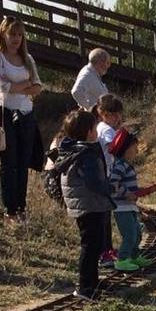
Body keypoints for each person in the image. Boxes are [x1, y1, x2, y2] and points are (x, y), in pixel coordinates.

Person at [0, 16, 45, 225]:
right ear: (3, 34)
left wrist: (19, 85)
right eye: (12, 34)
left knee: (23, 164)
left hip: (26, 114)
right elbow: (1, 87)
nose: (16, 39)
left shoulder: (28, 59)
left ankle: (21, 208)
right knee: (9, 163)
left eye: (20, 34)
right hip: (5, 113)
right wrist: (25, 85)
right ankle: (9, 210)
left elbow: (38, 86)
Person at [51, 110, 113, 299]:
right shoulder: (86, 153)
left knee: (93, 246)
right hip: (89, 205)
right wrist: (110, 188)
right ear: (88, 132)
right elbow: (93, 182)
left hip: (84, 205)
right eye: (95, 128)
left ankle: (92, 282)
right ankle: (86, 287)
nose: (97, 132)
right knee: (90, 247)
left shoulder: (72, 149)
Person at [107, 128, 149, 271]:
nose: (136, 151)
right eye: (134, 148)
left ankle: (134, 256)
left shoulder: (125, 165)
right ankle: (122, 259)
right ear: (125, 149)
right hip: (122, 207)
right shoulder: (119, 165)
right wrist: (127, 194)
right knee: (130, 234)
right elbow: (113, 184)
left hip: (130, 207)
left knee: (137, 233)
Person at [94, 93, 125, 265]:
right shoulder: (106, 130)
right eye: (114, 114)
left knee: (105, 217)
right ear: (104, 114)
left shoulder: (101, 128)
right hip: (105, 177)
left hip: (104, 176)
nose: (117, 117)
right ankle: (104, 252)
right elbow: (115, 148)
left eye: (119, 114)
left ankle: (107, 249)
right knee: (104, 218)